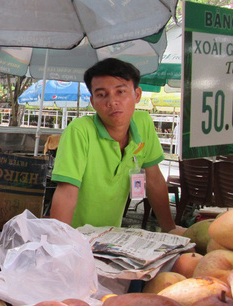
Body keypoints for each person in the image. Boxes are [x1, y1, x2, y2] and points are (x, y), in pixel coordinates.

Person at [50, 58, 185, 234]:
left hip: (112, 237)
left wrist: (170, 228)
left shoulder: (143, 123)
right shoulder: (80, 130)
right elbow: (66, 193)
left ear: (137, 95)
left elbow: (154, 180)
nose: (112, 102)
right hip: (76, 237)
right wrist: (59, 244)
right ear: (93, 101)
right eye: (101, 94)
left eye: (120, 92)